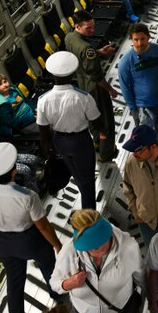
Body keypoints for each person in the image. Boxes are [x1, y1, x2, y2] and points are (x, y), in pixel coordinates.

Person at [0, 143, 62, 313]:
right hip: (30, 240)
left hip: (5, 243)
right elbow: (43, 227)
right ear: (14, 171)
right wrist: (57, 245)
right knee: (48, 266)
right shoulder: (27, 195)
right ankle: (58, 296)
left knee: (14, 285)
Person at [51, 210, 143, 313]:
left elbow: (141, 277)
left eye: (95, 247)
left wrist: (152, 299)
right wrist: (68, 283)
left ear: (107, 235)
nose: (90, 252)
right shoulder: (70, 250)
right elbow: (54, 282)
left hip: (119, 312)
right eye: (85, 247)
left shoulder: (128, 248)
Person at [37, 51, 103, 209]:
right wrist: (103, 133)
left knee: (76, 174)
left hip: (59, 141)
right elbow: (96, 121)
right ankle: (89, 216)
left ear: (52, 74)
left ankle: (85, 204)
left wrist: (48, 150)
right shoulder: (83, 97)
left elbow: (43, 130)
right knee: (87, 180)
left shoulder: (43, 100)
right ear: (73, 72)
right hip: (81, 141)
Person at [65, 11, 119, 163]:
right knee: (105, 121)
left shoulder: (69, 38)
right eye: (88, 28)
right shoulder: (87, 49)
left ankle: (96, 142)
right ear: (77, 26)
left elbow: (80, 55)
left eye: (93, 26)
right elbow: (97, 77)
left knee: (92, 116)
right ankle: (106, 152)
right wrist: (111, 90)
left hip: (81, 85)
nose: (92, 31)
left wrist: (99, 52)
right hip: (95, 88)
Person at [118, 23, 158, 139]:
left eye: (142, 39)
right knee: (147, 139)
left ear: (148, 37)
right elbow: (125, 87)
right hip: (144, 107)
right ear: (131, 40)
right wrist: (133, 110)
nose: (139, 43)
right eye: (136, 39)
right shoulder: (126, 61)